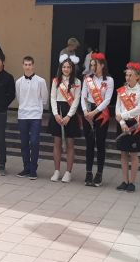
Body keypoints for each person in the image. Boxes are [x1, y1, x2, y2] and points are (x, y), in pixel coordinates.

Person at [80, 53, 114, 187]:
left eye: (95, 65)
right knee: (89, 144)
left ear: (102, 65)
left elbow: (107, 99)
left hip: (101, 113)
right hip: (88, 112)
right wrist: (85, 111)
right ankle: (88, 172)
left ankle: (99, 174)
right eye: (92, 65)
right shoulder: (87, 79)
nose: (93, 67)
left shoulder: (109, 80)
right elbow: (83, 96)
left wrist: (94, 112)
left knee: (100, 143)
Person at [115, 62, 140, 193]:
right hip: (122, 124)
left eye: (130, 75)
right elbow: (117, 108)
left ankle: (132, 183)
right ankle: (124, 181)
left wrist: (123, 116)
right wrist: (122, 123)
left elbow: (139, 109)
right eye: (127, 75)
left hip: (134, 124)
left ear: (137, 77)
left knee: (133, 154)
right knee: (123, 153)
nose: (127, 78)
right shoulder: (121, 90)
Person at [48, 54, 81, 183]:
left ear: (72, 68)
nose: (66, 69)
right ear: (61, 68)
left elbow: (76, 100)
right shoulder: (56, 81)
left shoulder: (77, 82)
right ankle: (56, 171)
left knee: (70, 143)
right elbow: (52, 98)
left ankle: (68, 172)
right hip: (58, 111)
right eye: (64, 67)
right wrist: (56, 114)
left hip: (70, 113)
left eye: (68, 67)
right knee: (56, 142)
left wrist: (69, 116)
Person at [15, 56, 48, 180]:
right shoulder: (18, 82)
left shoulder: (41, 81)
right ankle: (26, 168)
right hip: (23, 115)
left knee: (34, 142)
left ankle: (33, 169)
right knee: (24, 143)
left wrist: (38, 109)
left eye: (30, 64)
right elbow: (19, 98)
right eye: (26, 64)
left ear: (33, 65)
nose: (28, 67)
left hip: (35, 116)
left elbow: (44, 98)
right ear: (22, 65)